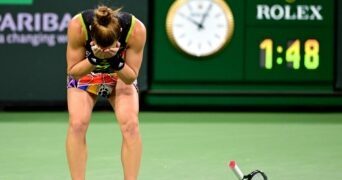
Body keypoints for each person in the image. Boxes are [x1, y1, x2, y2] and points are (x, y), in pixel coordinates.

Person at [65, 4, 146, 180]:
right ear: (92, 34)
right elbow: (73, 71)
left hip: (120, 74)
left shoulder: (136, 30)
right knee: (77, 124)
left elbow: (130, 77)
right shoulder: (78, 27)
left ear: (119, 35)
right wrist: (94, 58)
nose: (104, 49)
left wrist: (114, 59)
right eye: (100, 46)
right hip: (86, 71)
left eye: (108, 46)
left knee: (131, 126)